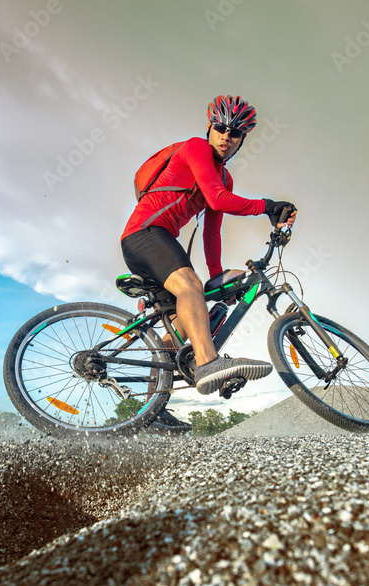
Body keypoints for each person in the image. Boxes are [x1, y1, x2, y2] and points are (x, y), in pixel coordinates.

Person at [120, 95, 297, 412]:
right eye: (221, 127)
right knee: (191, 286)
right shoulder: (195, 148)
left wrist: (217, 274)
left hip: (157, 241)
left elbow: (212, 231)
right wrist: (267, 206)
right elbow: (217, 200)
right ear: (210, 128)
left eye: (235, 133)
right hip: (145, 233)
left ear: (242, 140)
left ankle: (152, 410)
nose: (226, 136)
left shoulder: (224, 176)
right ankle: (206, 363)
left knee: (175, 336)